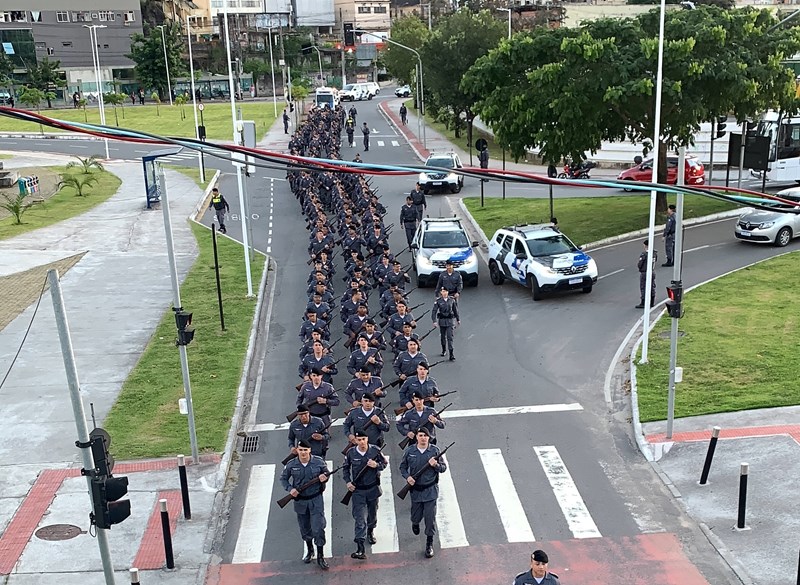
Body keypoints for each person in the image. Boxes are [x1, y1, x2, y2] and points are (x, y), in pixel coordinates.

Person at [279, 442, 331, 570]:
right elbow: (283, 479)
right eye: (301, 449)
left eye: (305, 449)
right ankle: (310, 550)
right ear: (297, 450)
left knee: (318, 528)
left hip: (315, 499)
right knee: (305, 528)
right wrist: (290, 489)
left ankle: (320, 555)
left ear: (310, 450)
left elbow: (326, 474)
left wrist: (325, 478)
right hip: (300, 501)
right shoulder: (291, 464)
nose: (303, 452)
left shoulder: (318, 462)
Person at [399, 427, 447, 558]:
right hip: (416, 490)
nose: (423, 438)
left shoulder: (435, 451)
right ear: (416, 437)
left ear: (429, 437)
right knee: (416, 516)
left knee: (430, 518)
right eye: (420, 435)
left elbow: (443, 468)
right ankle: (415, 523)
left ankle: (429, 543)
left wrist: (435, 465)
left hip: (430, 490)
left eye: (425, 436)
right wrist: (407, 477)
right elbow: (402, 467)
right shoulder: (410, 451)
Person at [342, 430, 388, 559]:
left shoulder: (375, 450)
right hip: (358, 491)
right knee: (359, 518)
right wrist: (348, 482)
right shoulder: (351, 453)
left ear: (367, 439)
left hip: (372, 488)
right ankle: (360, 547)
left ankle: (370, 531)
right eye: (359, 440)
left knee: (372, 513)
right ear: (355, 441)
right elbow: (345, 468)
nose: (361, 442)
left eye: (364, 439)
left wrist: (376, 465)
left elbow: (384, 464)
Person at [432, 287, 459, 361]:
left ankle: (451, 354)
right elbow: (434, 311)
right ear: (441, 293)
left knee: (450, 337)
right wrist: (434, 321)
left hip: (450, 321)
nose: (444, 293)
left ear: (447, 292)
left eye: (445, 291)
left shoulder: (451, 300)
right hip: (442, 321)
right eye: (442, 291)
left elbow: (455, 310)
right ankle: (444, 350)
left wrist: (458, 319)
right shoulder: (438, 301)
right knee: (443, 337)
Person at [636, 239, 657, 309]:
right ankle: (652, 302)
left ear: (645, 245)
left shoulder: (644, 254)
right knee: (652, 286)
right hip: (652, 271)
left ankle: (643, 302)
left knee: (643, 287)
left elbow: (640, 264)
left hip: (645, 272)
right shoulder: (654, 253)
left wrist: (640, 268)